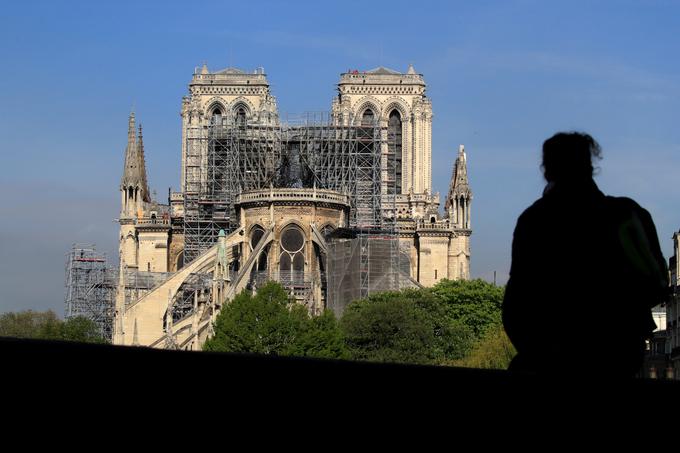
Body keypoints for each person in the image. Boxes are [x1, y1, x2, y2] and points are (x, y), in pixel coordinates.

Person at [502, 132, 668, 378]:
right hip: (616, 354)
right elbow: (659, 285)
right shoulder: (627, 215)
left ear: (547, 171)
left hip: (551, 356)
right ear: (591, 166)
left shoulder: (536, 220)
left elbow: (517, 305)